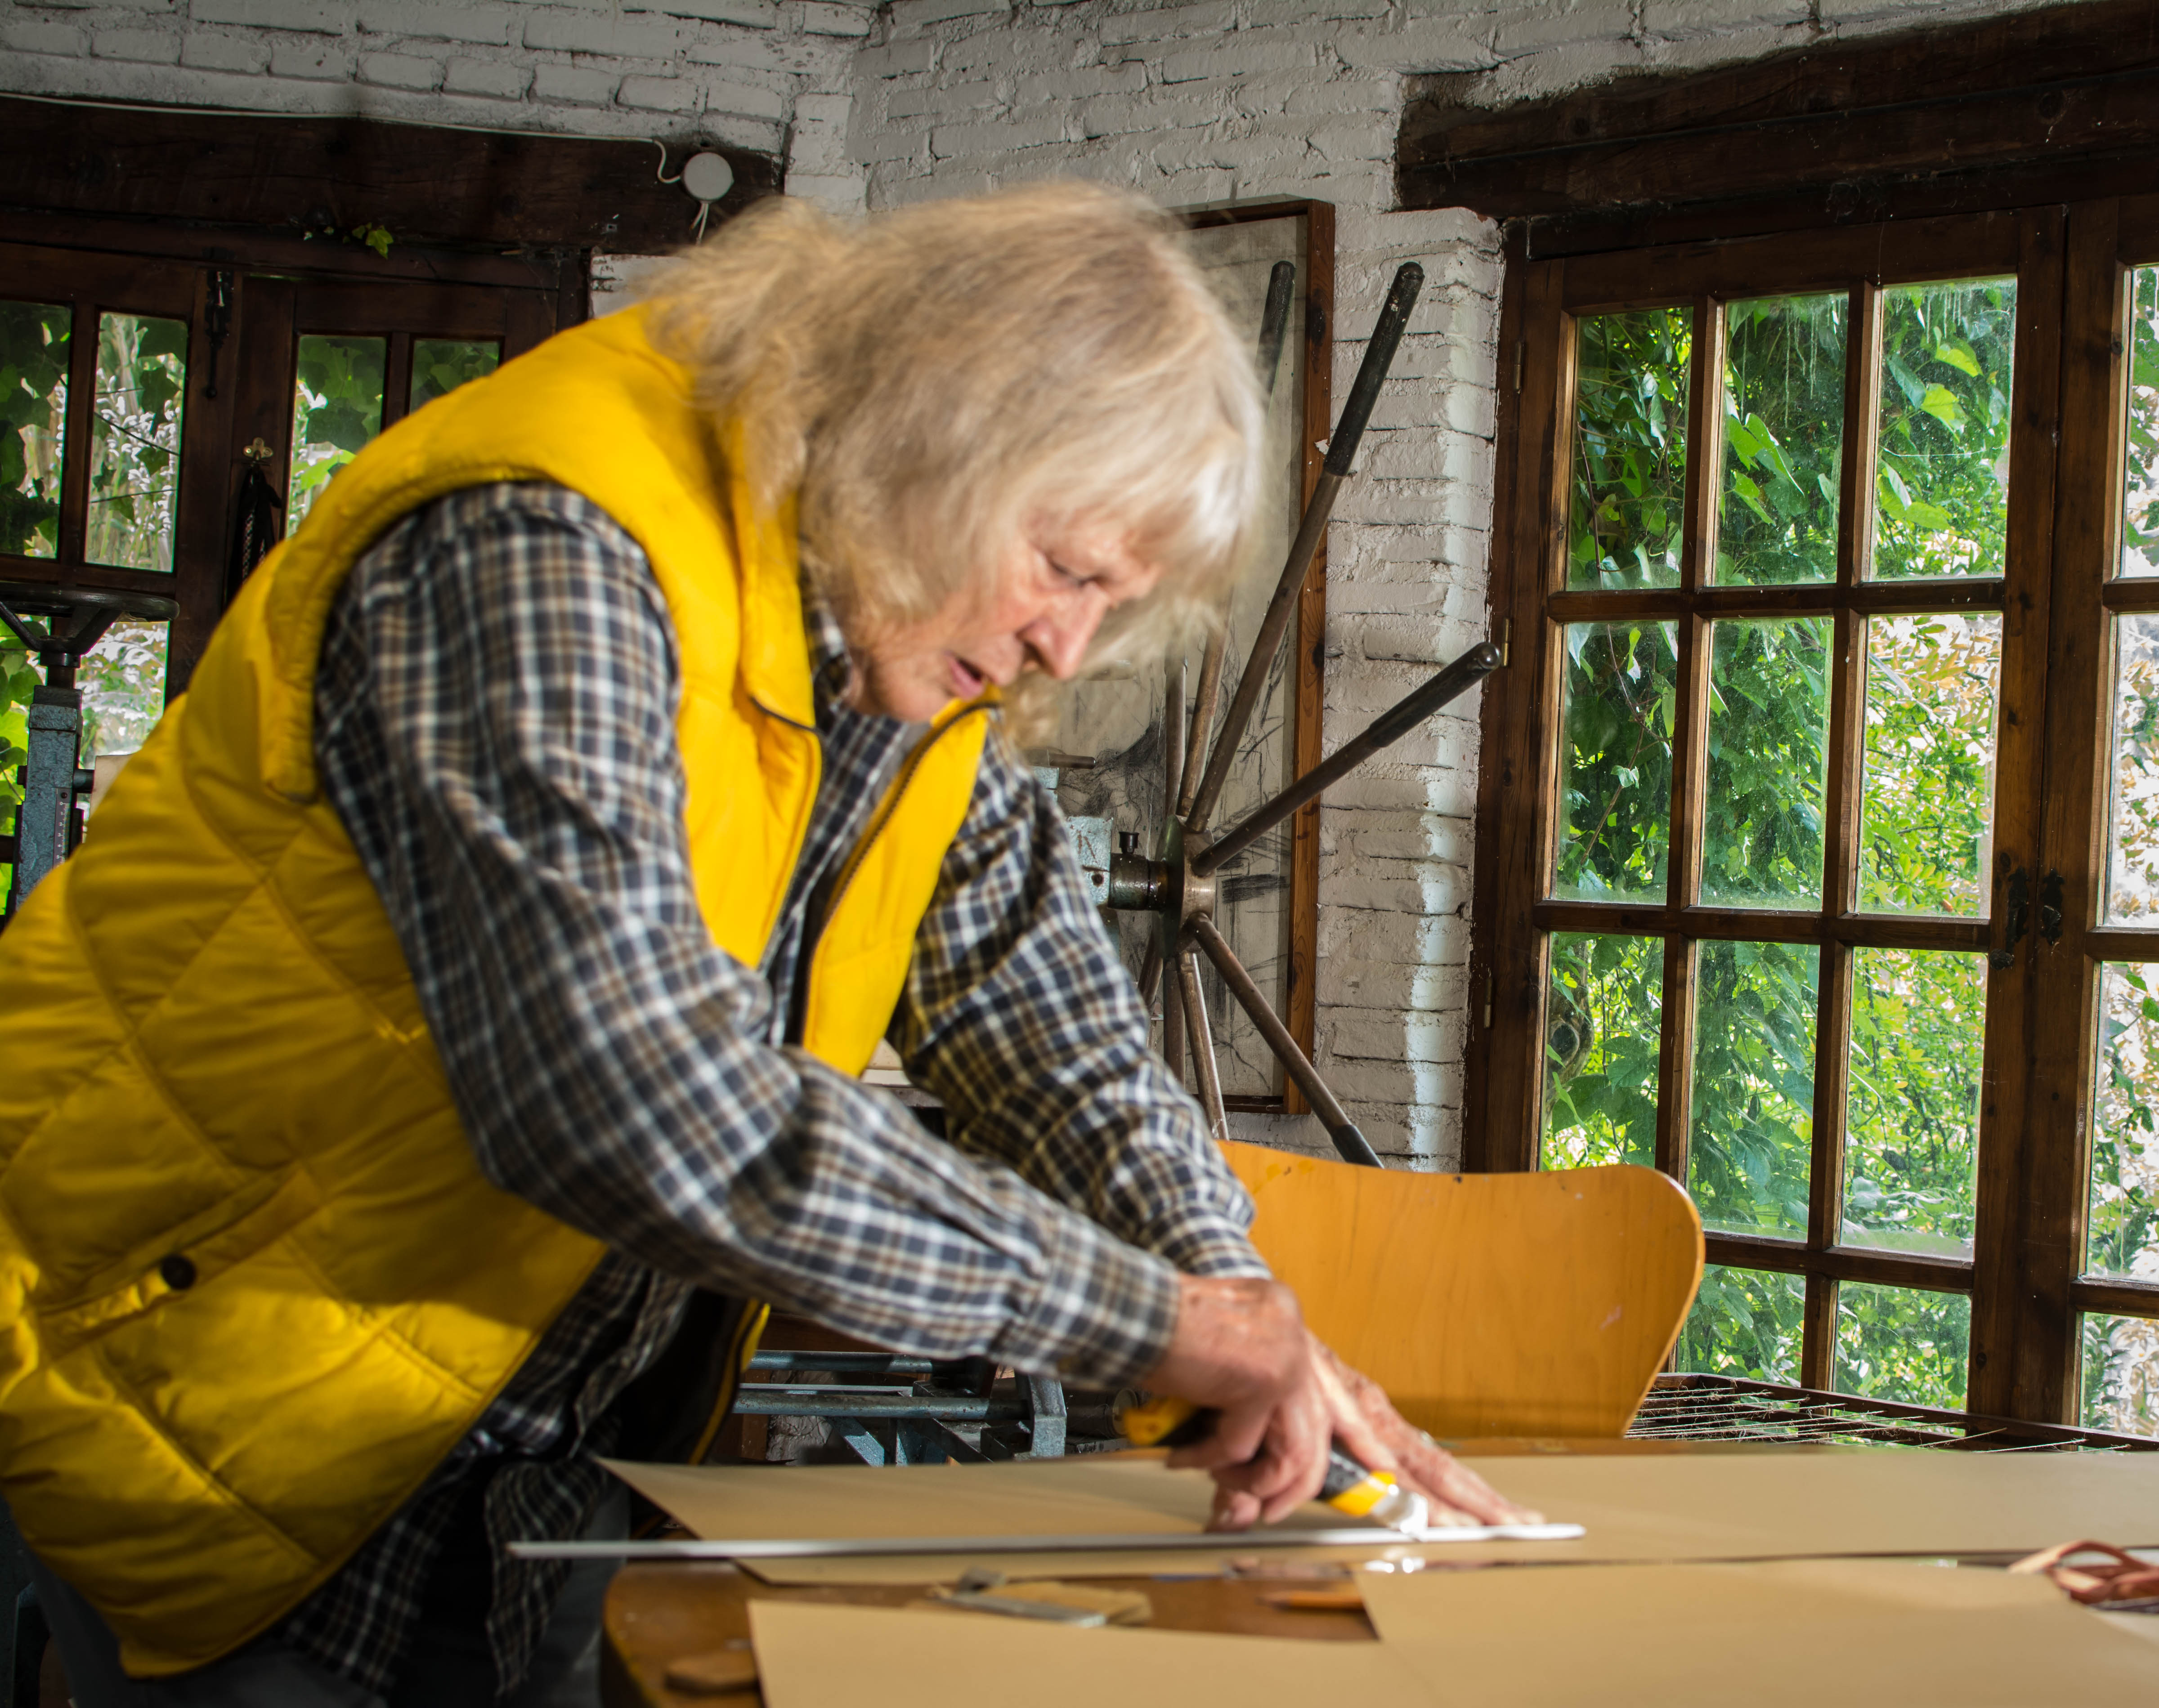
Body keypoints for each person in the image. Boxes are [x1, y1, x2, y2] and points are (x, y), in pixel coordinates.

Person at [0, 182, 1522, 1707]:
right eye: (1066, 570)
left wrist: (1225, 1290)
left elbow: (1050, 1031)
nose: (1067, 650)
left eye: (1107, 604)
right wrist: (1154, 1325)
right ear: (945, 437)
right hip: (213, 1403)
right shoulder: (544, 543)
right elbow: (624, 1099)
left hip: (542, 1460)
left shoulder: (897, 614)